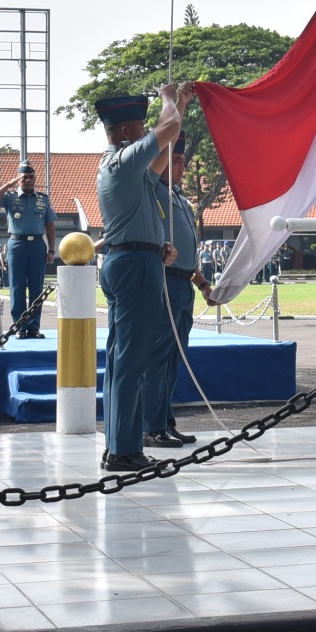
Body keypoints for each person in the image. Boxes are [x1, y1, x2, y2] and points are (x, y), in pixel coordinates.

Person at [96, 83, 192, 472]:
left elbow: (165, 148)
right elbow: (167, 131)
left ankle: (121, 444)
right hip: (134, 267)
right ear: (124, 133)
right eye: (138, 129)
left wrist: (159, 246)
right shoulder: (121, 162)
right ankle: (123, 450)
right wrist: (169, 98)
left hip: (137, 260)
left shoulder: (130, 172)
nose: (144, 135)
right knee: (131, 362)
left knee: (123, 361)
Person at [145, 133, 210, 449]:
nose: (182, 166)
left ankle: (165, 422)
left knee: (173, 359)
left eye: (184, 160)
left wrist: (202, 283)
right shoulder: (154, 191)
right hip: (165, 281)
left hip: (184, 284)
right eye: (176, 160)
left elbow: (187, 251)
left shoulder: (181, 199)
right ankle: (151, 426)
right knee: (158, 358)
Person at [0, 160, 57, 339]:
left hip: (37, 245)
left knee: (36, 287)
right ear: (19, 180)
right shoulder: (10, 197)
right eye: (24, 177)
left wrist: (51, 250)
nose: (27, 180)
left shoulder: (43, 199)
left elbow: (50, 225)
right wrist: (7, 185)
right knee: (17, 286)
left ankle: (34, 327)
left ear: (35, 179)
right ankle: (20, 327)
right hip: (17, 244)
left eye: (30, 177)